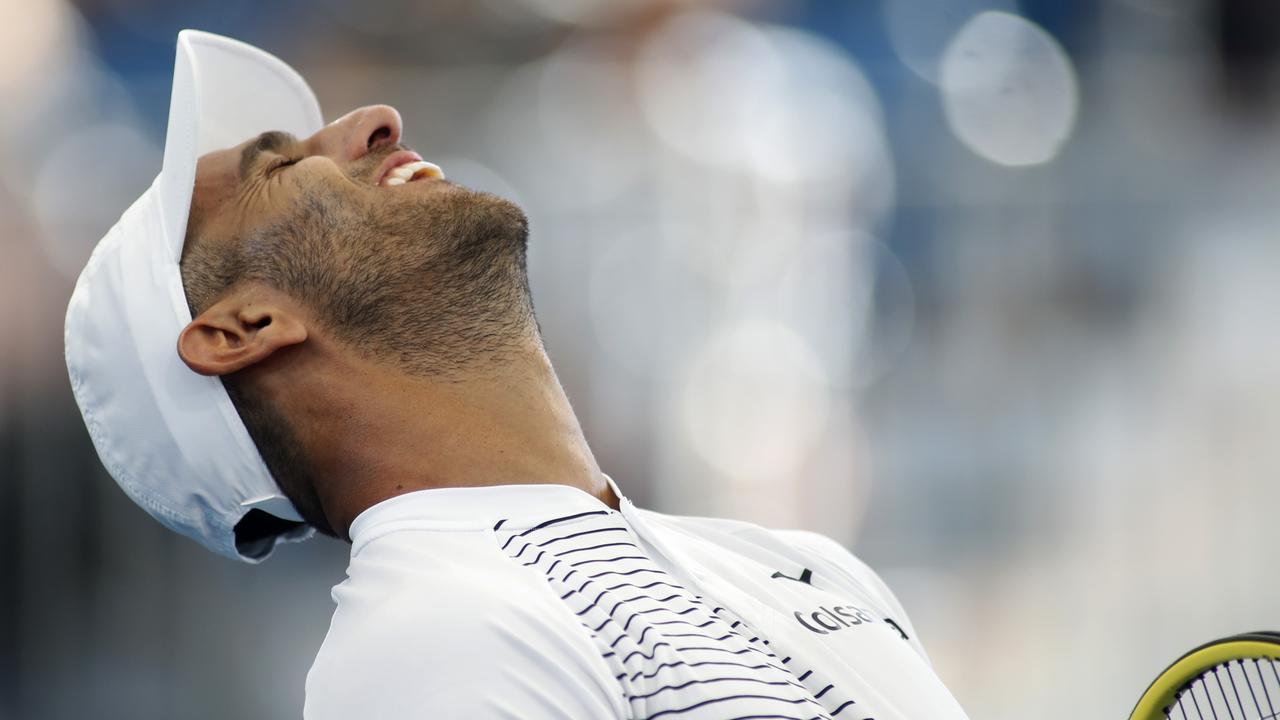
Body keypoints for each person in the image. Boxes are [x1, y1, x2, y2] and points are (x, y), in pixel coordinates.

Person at [65, 31, 970, 719]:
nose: (372, 122)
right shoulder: (421, 648)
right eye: (283, 165)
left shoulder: (803, 565)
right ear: (244, 328)